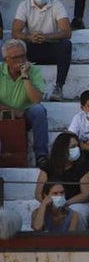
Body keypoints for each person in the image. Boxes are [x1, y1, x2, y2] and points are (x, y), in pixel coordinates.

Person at [12, 0, 73, 101]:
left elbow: (67, 32)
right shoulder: (24, 5)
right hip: (32, 47)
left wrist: (46, 37)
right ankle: (19, 88)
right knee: (15, 47)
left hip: (51, 46)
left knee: (66, 45)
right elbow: (15, 32)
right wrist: (29, 37)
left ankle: (58, 88)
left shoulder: (56, 4)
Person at [0, 39, 50, 169]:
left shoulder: (33, 70)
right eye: (15, 58)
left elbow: (36, 100)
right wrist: (11, 110)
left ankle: (41, 156)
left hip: (26, 113)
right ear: (6, 60)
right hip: (2, 112)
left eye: (22, 56)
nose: (20, 60)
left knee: (39, 110)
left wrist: (25, 76)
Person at [35, 131, 89, 229]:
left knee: (74, 213)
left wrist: (66, 203)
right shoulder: (48, 167)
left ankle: (71, 241)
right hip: (53, 204)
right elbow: (39, 193)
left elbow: (87, 194)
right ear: (62, 149)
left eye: (77, 146)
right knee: (39, 214)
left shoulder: (84, 166)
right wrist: (50, 204)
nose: (76, 149)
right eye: (73, 147)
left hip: (80, 204)